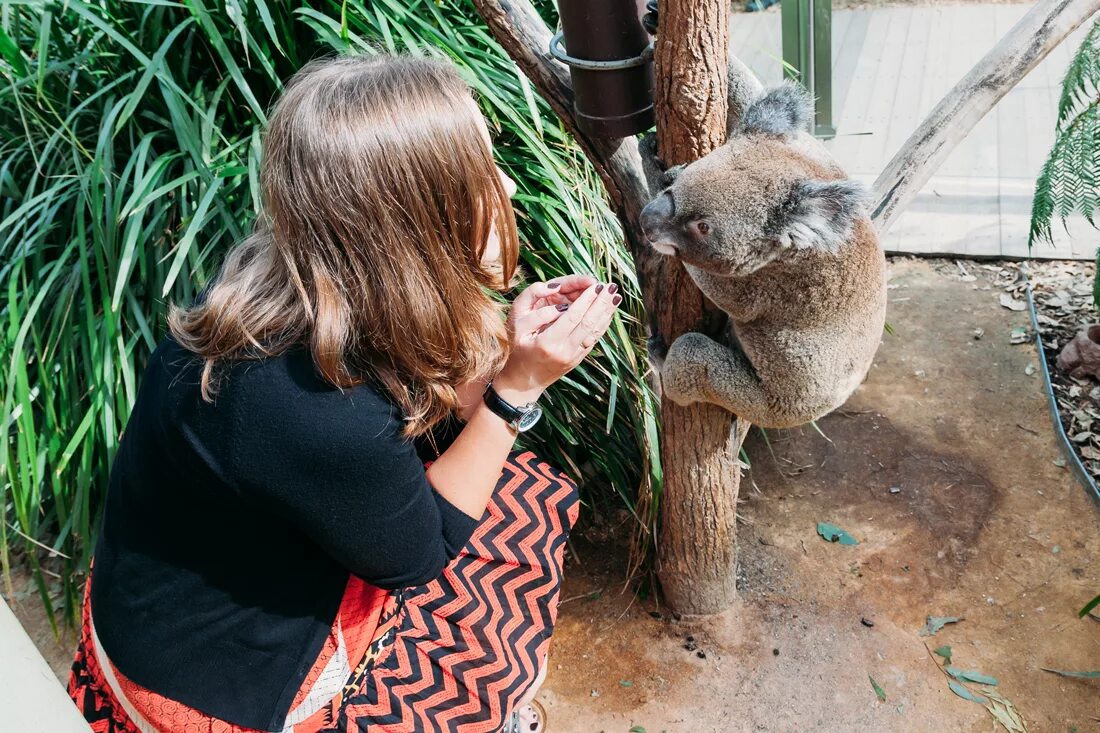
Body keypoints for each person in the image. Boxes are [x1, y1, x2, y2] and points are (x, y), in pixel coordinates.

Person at [66, 52, 622, 733]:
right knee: (499, 537)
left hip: (151, 599)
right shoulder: (315, 410)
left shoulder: (281, 280)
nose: (507, 186)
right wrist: (516, 389)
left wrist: (508, 355)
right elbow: (421, 554)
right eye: (479, 177)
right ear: (411, 228)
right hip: (208, 686)